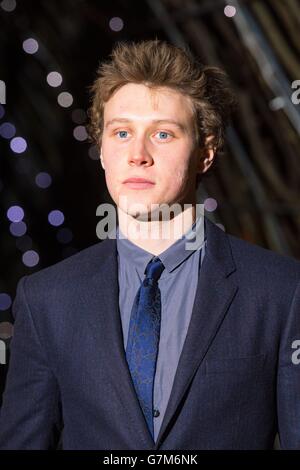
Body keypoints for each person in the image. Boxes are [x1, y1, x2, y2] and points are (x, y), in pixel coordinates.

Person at [0, 39, 300, 450]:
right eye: (121, 132)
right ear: (103, 150)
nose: (137, 154)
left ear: (205, 153)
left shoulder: (281, 291)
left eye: (162, 133)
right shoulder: (46, 299)